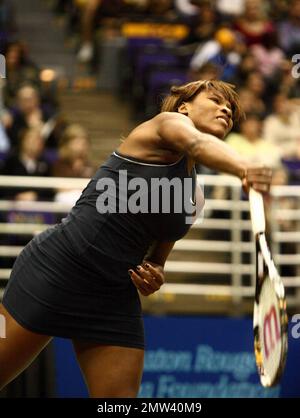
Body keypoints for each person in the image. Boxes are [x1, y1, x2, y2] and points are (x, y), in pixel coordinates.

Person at [0, 80, 272, 397]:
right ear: (184, 107)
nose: (225, 109)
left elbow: (156, 258)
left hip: (113, 295)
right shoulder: (166, 125)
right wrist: (244, 167)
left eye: (231, 110)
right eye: (215, 100)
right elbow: (197, 144)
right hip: (58, 268)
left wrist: (154, 274)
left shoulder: (194, 197)